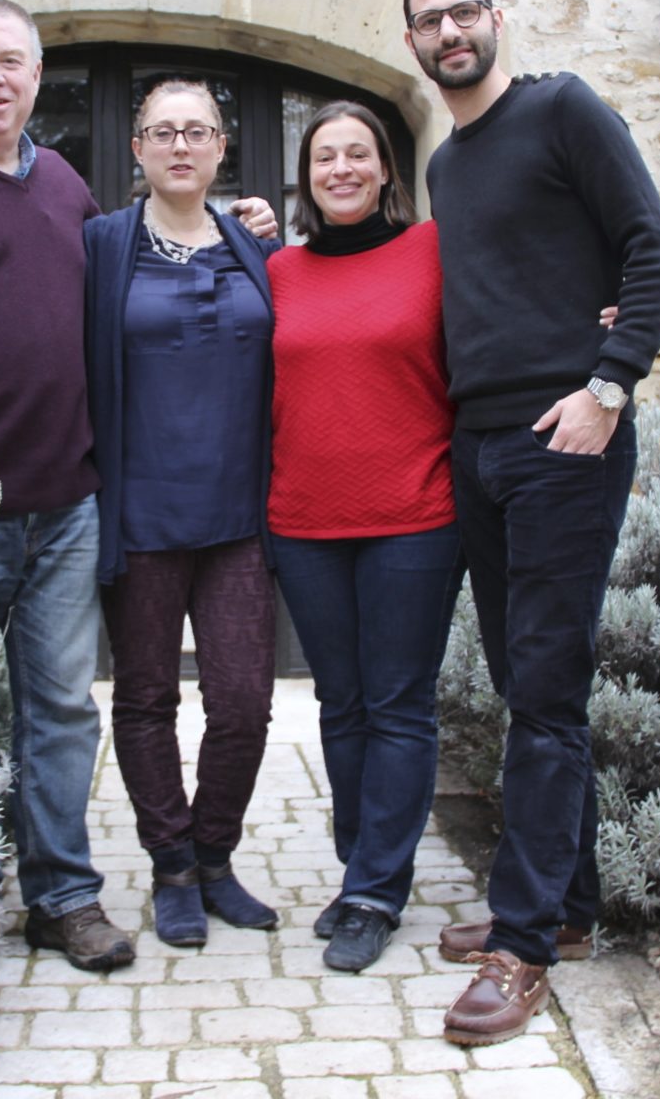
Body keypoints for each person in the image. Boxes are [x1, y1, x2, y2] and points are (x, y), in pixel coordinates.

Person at [0, 0, 276, 991]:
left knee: (63, 710)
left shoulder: (61, 185)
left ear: (34, 80)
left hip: (67, 504)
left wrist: (245, 228)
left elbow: (154, 246)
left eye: (12, 63)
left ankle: (61, 893)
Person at [400, 0, 660, 1046]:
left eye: (464, 12)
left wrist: (609, 385)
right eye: (429, 21)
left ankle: (525, 946)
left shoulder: (564, 109)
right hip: (481, 447)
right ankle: (568, 904)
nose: (450, 32)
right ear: (417, 46)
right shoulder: (447, 165)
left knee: (549, 694)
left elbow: (657, 250)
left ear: (495, 20)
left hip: (566, 440)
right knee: (527, 681)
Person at [266, 100, 465, 974]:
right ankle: (363, 870)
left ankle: (377, 891)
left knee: (398, 705)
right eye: (324, 157)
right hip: (302, 519)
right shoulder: (275, 269)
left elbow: (511, 312)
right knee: (340, 704)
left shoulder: (434, 251)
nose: (341, 168)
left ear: (387, 169)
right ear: (306, 176)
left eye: (358, 154)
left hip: (415, 516)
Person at [83, 79, 281, 948]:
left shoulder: (255, 246)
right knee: (148, 697)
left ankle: (215, 853)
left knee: (242, 702)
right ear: (137, 149)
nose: (180, 146)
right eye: (162, 132)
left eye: (197, 131)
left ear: (221, 146)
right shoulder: (99, 246)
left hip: (240, 515)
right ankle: (170, 867)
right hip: (143, 512)